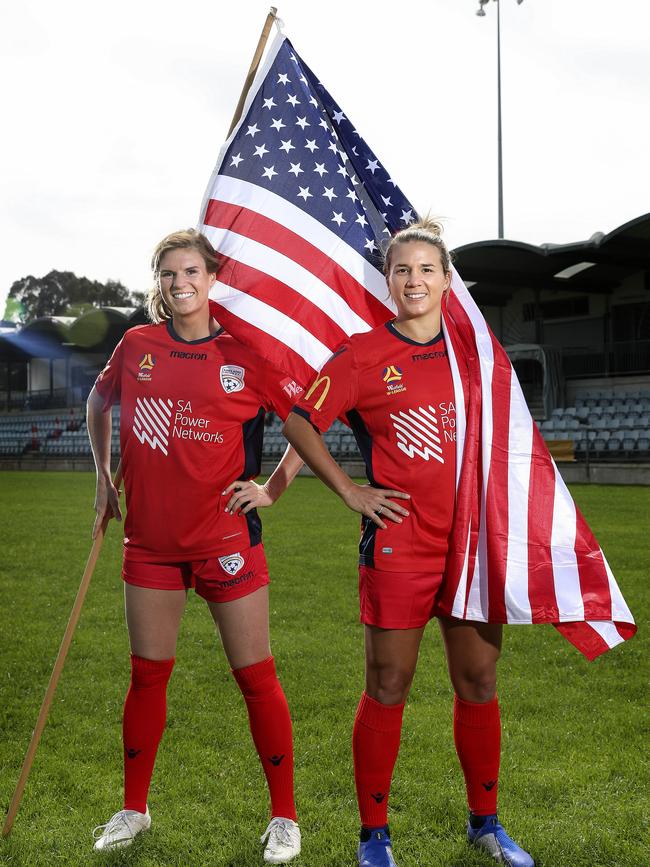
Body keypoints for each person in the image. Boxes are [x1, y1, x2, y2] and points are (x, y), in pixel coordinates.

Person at [283, 219, 535, 867]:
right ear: (389, 281)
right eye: (402, 270)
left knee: (478, 677)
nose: (414, 279)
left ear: (447, 281)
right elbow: (302, 419)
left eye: (427, 268)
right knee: (389, 679)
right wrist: (350, 491)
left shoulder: (476, 355)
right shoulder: (364, 354)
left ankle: (487, 822)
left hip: (473, 546)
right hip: (400, 545)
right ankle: (375, 835)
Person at [87, 229, 303, 863]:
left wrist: (271, 489)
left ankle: (285, 818)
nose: (180, 284)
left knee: (256, 677)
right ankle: (133, 810)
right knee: (147, 677)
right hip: (149, 544)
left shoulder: (247, 354)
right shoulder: (137, 345)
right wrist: (103, 481)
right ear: (159, 283)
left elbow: (304, 427)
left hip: (226, 540)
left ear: (212, 278)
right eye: (168, 274)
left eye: (191, 272)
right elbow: (99, 404)